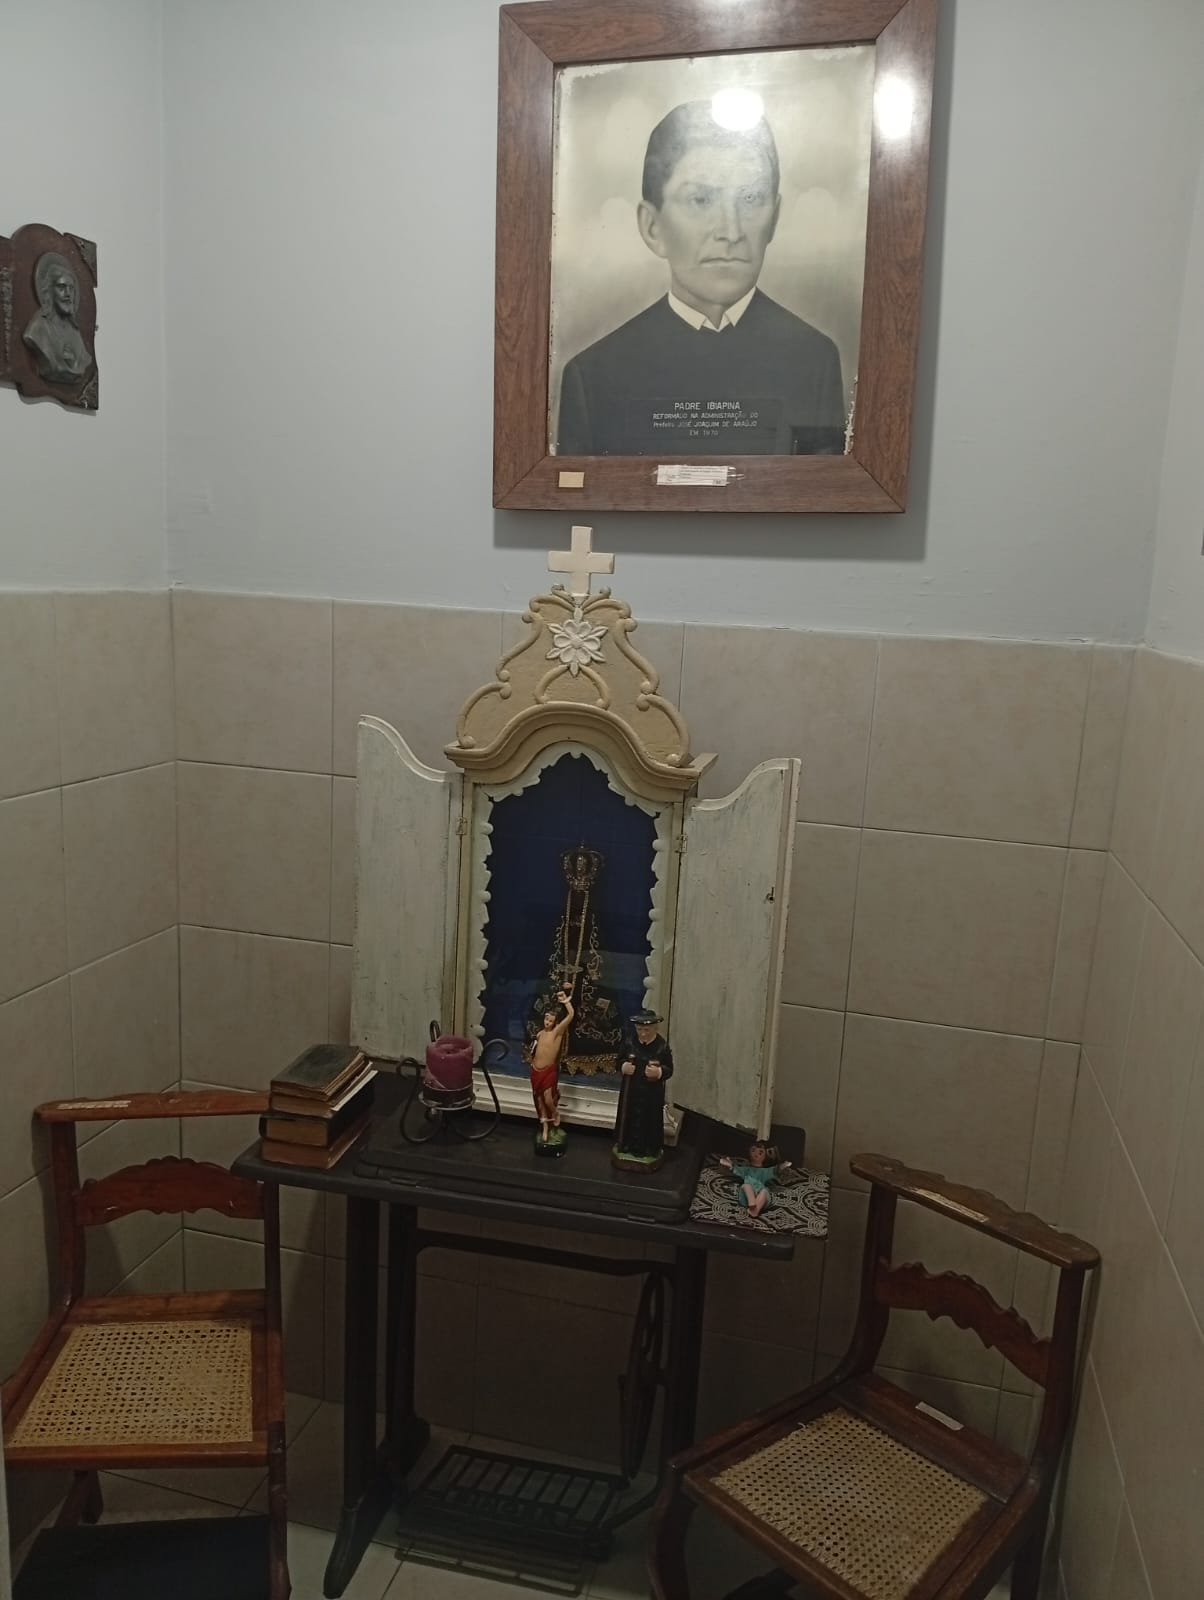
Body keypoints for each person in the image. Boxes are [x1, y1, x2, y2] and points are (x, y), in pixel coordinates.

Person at [556, 99, 845, 458]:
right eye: (701, 199)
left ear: (774, 218)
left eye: (751, 198)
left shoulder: (813, 359)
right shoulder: (594, 377)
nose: (731, 231)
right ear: (652, 227)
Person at [612, 1009, 674, 1172]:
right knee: (629, 1117)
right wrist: (624, 1067)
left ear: (655, 1028)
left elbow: (669, 1069)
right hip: (631, 1090)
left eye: (647, 1030)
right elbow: (618, 1061)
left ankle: (649, 1148)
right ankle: (626, 1145)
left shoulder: (661, 1047)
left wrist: (658, 1072)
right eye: (640, 1029)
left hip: (651, 1093)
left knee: (649, 1119)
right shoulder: (629, 1043)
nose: (643, 1034)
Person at [22, 252, 93, 385]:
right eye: (61, 287)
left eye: (71, 289)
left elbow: (84, 359)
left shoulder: (75, 331)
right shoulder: (37, 329)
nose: (68, 294)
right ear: (49, 291)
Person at [529, 988, 574, 1153]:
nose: (547, 1022)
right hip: (536, 1070)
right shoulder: (540, 1034)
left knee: (548, 1099)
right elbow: (533, 1051)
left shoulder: (557, 1033)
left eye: (550, 1020)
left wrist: (565, 1000)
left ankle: (555, 1114)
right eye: (546, 1019)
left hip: (549, 1071)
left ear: (555, 1022)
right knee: (539, 1100)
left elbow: (571, 1015)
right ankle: (545, 1127)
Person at [719, 1140, 793, 1218]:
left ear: (766, 1157)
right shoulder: (746, 1170)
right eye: (753, 1150)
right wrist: (729, 1164)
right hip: (746, 1197)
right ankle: (752, 1203)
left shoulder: (765, 1172)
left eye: (760, 1152)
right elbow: (735, 1169)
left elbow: (775, 1170)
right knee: (746, 1186)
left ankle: (755, 1210)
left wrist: (783, 1165)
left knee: (764, 1191)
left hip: (760, 1195)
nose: (756, 1154)